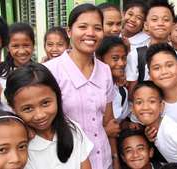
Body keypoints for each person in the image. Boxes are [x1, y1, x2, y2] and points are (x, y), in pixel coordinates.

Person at [44, 4, 119, 169]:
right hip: (69, 162)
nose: (90, 33)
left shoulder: (105, 70)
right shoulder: (50, 71)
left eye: (97, 28)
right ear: (69, 31)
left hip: (103, 160)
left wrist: (115, 159)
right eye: (83, 27)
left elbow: (108, 122)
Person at [4, 63, 93, 169]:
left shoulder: (73, 130)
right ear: (13, 108)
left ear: (57, 96)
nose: (40, 115)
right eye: (28, 109)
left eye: (45, 103)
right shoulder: (17, 147)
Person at [126, 0, 177, 96]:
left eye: (166, 20)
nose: (160, 23)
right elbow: (131, 94)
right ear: (146, 25)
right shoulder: (136, 55)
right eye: (154, 19)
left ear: (172, 25)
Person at [0, 22, 35, 111]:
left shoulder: (39, 72)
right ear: (7, 47)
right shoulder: (0, 71)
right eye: (15, 46)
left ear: (33, 45)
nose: (21, 51)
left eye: (26, 45)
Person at [96, 36, 129, 125]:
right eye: (115, 58)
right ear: (100, 59)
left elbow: (121, 121)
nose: (121, 63)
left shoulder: (122, 92)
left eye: (124, 58)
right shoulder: (91, 89)